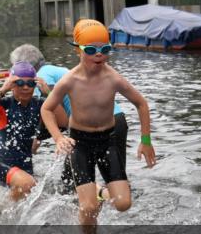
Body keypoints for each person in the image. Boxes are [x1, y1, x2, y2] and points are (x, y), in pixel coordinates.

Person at [41, 20, 156, 228]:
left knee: (123, 203)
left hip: (107, 141)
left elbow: (141, 103)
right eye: (91, 49)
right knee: (89, 208)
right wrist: (58, 137)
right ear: (78, 50)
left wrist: (145, 140)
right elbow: (46, 109)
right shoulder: (70, 80)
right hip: (80, 144)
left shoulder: (113, 78)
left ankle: (98, 193)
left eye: (105, 49)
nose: (99, 54)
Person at [9, 44, 130, 194]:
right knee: (115, 178)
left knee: (70, 179)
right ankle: (111, 201)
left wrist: (38, 138)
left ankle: (93, 200)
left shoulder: (41, 76)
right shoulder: (57, 70)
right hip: (117, 119)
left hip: (89, 126)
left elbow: (52, 110)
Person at [0, 61, 66, 201]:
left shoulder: (41, 104)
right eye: (20, 83)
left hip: (25, 163)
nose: (25, 87)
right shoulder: (4, 103)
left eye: (30, 83)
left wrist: (49, 93)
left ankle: (4, 214)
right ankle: (7, 216)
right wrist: (3, 90)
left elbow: (63, 122)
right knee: (27, 184)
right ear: (12, 85)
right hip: (2, 161)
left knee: (31, 196)